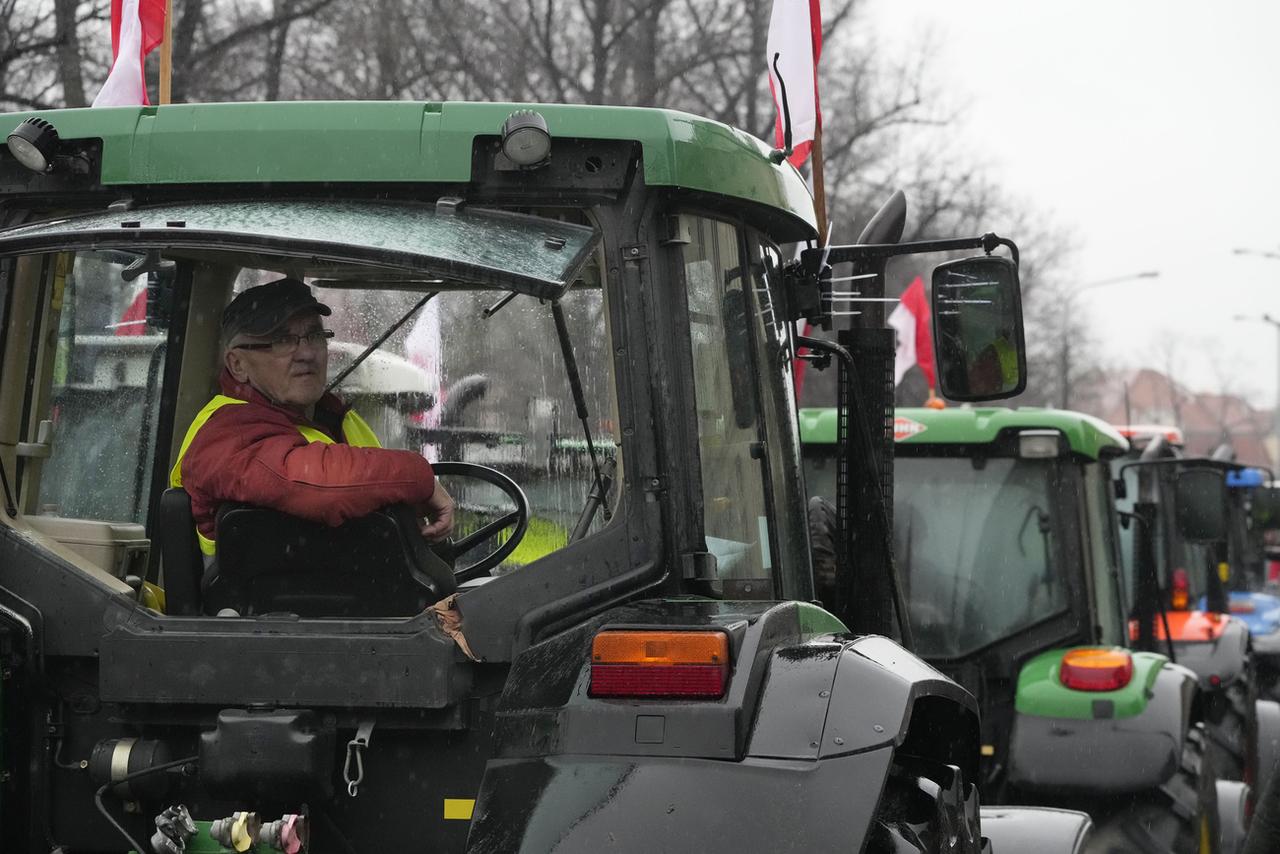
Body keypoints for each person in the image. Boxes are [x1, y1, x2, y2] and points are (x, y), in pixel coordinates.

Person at [170, 277, 453, 560]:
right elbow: (317, 487)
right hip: (260, 603)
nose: (307, 353)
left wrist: (402, 505)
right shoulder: (224, 431)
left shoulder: (338, 418)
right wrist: (418, 477)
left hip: (360, 592)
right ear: (238, 364)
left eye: (315, 335)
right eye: (282, 340)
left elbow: (364, 493)